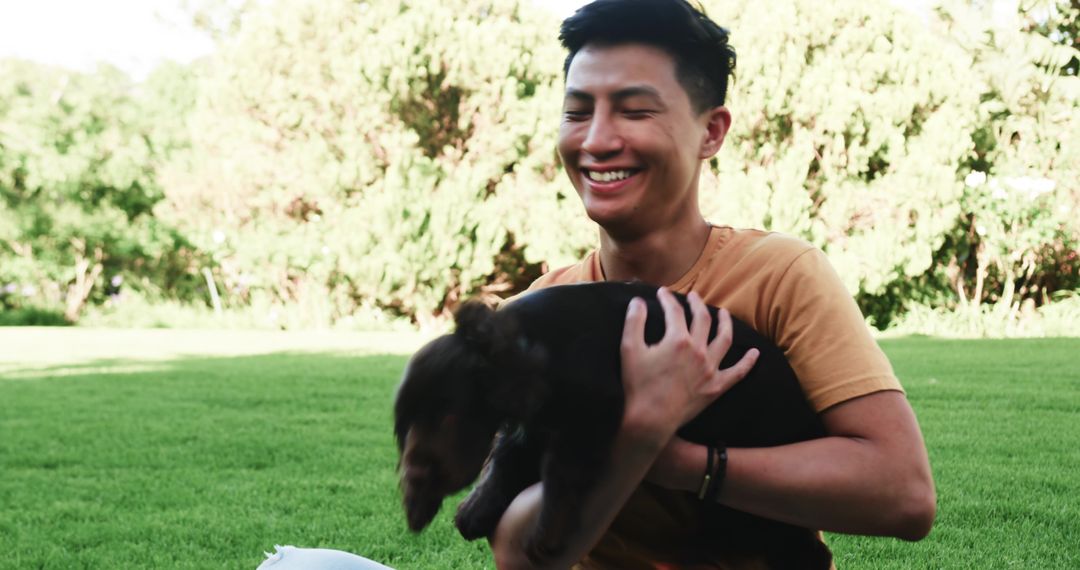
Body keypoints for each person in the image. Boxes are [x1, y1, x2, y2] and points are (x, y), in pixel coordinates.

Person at [488, 0, 936, 568]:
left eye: (634, 111)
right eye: (577, 112)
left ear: (711, 131)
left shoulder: (779, 277)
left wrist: (681, 462)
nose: (596, 140)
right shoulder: (539, 311)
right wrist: (634, 437)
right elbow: (516, 554)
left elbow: (903, 494)